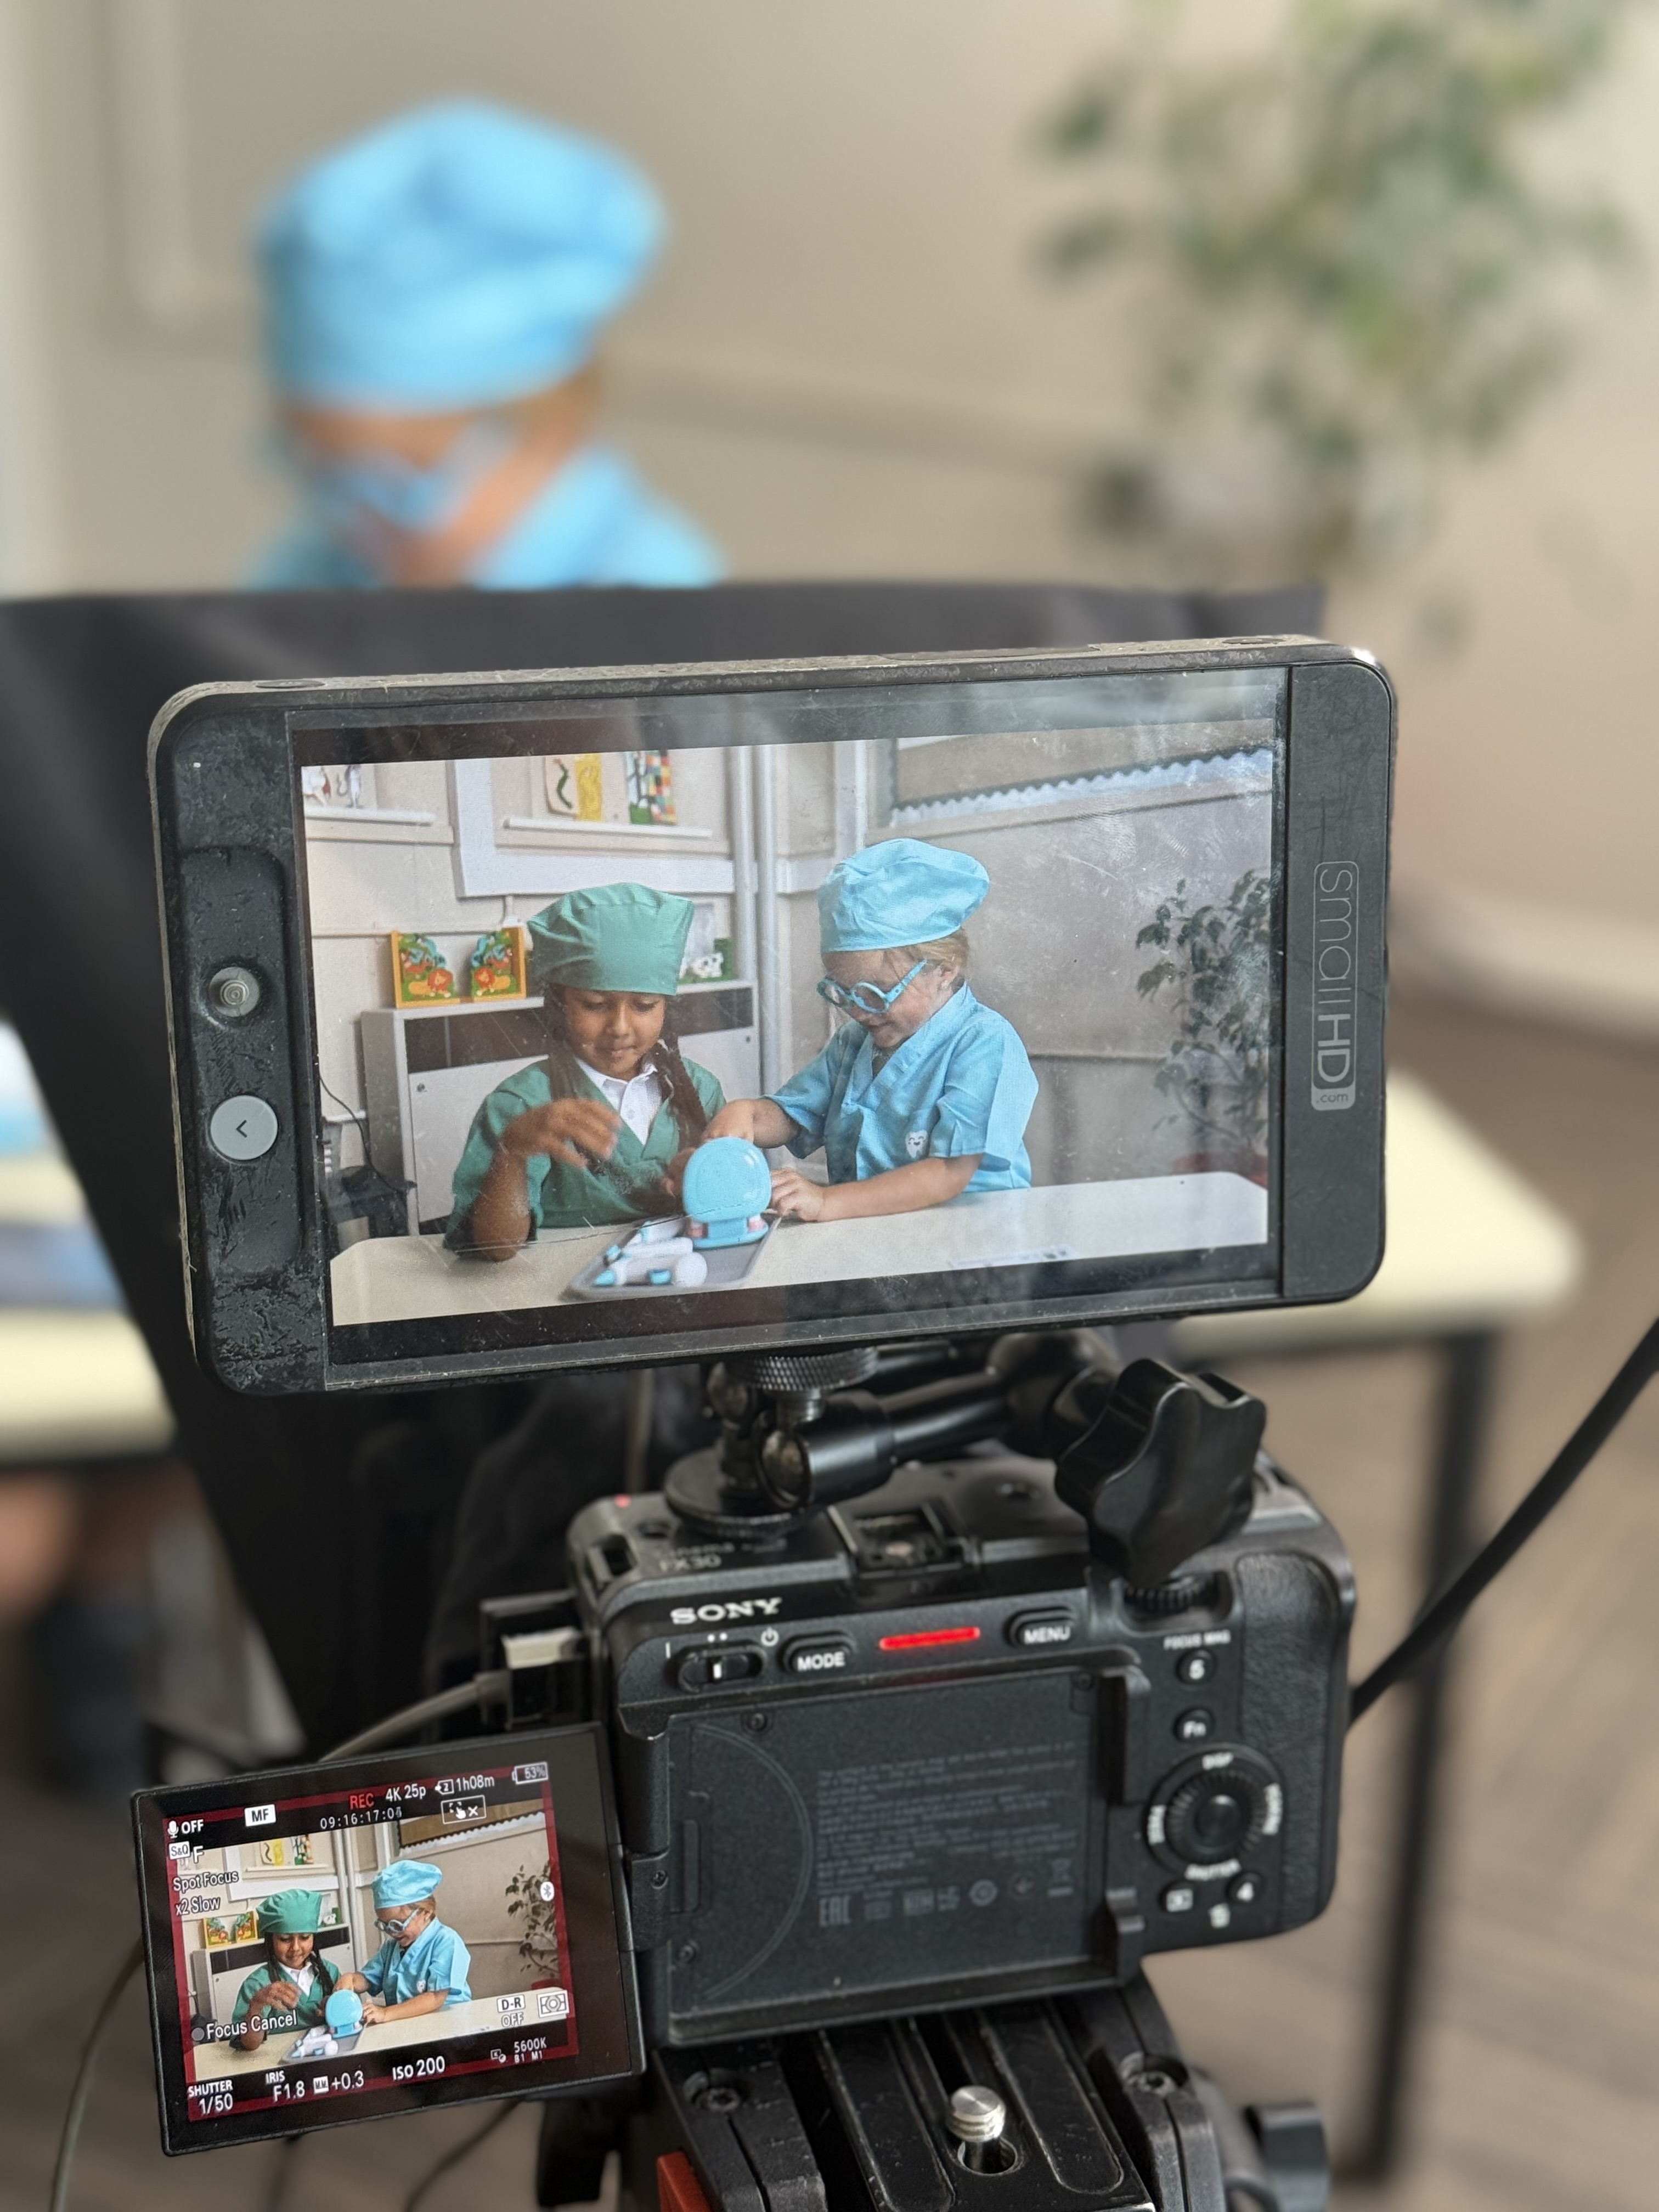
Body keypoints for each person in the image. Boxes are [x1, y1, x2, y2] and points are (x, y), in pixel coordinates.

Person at [252, 100, 721, 590]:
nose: (355, 527)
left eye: (390, 488)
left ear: (547, 437)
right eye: (318, 470)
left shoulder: (662, 611)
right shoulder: (314, 573)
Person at [707, 839, 1037, 1221]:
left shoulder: (984, 1043)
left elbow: (950, 1173)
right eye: (843, 992)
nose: (858, 1011)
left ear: (945, 969)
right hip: (881, 1237)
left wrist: (829, 1201)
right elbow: (793, 1115)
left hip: (970, 1245)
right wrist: (747, 1113)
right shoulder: (853, 1044)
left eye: (875, 993)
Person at [446, 883, 725, 1255]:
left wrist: (709, 1178)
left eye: (644, 1005)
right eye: (594, 1005)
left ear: (667, 1008)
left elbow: (733, 1209)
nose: (621, 1028)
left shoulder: (699, 1090)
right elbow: (496, 1247)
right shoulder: (521, 1102)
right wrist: (513, 1151)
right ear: (558, 1004)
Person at [334, 1861, 472, 2023]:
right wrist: (351, 1979)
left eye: (397, 1924)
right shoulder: (391, 1949)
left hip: (447, 2024)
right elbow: (368, 1979)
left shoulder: (447, 1942)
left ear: (426, 1912)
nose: (392, 1932)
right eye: (384, 1925)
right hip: (407, 2026)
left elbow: (435, 1998)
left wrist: (386, 2013)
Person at [230, 1889, 340, 2050]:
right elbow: (249, 2044)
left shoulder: (330, 1972)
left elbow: (351, 2021)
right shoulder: (257, 1983)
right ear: (270, 1941)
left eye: (304, 1937)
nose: (295, 1948)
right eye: (285, 1939)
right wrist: (257, 2006)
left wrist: (336, 2007)